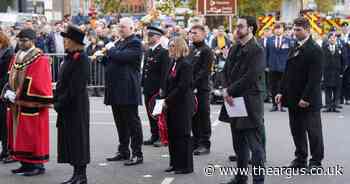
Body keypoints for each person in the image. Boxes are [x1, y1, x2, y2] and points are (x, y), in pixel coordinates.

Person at [220, 16, 265, 184]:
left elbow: (251, 76)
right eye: (237, 26)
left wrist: (229, 91)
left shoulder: (257, 49)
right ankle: (241, 177)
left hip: (249, 101)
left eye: (240, 26)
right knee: (238, 144)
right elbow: (225, 72)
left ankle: (258, 180)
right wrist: (226, 90)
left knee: (255, 147)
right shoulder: (234, 47)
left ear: (251, 28)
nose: (237, 29)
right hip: (233, 101)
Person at [275, 17, 324, 171]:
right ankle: (300, 158)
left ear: (307, 30)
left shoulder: (315, 49)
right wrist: (280, 91)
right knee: (296, 130)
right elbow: (287, 71)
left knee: (313, 132)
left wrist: (306, 98)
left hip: (308, 100)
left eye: (298, 30)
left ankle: (316, 161)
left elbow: (315, 78)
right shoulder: (295, 46)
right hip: (292, 97)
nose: (295, 32)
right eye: (294, 29)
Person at [2, 29, 53, 176]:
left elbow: (38, 82)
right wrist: (8, 90)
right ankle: (24, 163)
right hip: (17, 102)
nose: (22, 43)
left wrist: (18, 95)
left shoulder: (40, 58)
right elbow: (10, 75)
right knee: (20, 134)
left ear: (33, 41)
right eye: (20, 40)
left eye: (25, 40)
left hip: (31, 103)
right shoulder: (17, 55)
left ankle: (37, 165)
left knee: (33, 134)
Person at [103, 17, 144, 166]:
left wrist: (111, 50)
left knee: (132, 122)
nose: (120, 29)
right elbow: (112, 60)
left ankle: (137, 153)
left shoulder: (135, 43)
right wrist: (103, 58)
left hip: (127, 88)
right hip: (115, 88)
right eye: (119, 27)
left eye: (123, 27)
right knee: (120, 122)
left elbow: (122, 57)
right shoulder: (119, 42)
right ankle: (123, 150)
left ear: (131, 29)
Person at [54, 25, 90, 184]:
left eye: (67, 39)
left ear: (75, 42)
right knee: (70, 139)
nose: (64, 42)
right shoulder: (69, 56)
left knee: (78, 139)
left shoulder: (81, 58)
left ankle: (81, 175)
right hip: (67, 105)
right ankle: (76, 175)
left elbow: (76, 86)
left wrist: (60, 102)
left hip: (76, 106)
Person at [163, 36, 194, 174]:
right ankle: (174, 163)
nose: (169, 48)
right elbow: (168, 82)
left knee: (183, 134)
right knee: (172, 134)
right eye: (169, 46)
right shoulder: (172, 63)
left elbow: (183, 86)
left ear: (179, 47)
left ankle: (185, 166)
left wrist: (167, 100)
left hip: (181, 104)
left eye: (172, 46)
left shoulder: (185, 64)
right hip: (171, 104)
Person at [141, 26, 170, 147]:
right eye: (148, 35)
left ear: (158, 37)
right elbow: (145, 70)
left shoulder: (163, 52)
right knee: (150, 113)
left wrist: (163, 88)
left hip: (157, 88)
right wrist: (142, 84)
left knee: (158, 113)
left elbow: (164, 73)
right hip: (148, 87)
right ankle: (154, 135)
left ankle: (160, 136)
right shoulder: (148, 51)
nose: (149, 37)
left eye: (151, 36)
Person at [188, 24, 213, 155]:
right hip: (190, 88)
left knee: (203, 115)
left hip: (201, 88)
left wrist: (192, 83)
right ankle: (196, 141)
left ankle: (204, 143)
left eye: (195, 33)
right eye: (191, 33)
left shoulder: (206, 50)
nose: (192, 35)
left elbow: (204, 72)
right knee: (194, 116)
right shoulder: (191, 49)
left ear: (203, 34)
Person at [266, 22, 294, 112]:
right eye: (276, 28)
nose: (278, 30)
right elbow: (266, 53)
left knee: (283, 86)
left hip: (284, 67)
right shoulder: (269, 40)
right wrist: (266, 65)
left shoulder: (288, 40)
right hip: (272, 66)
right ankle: (274, 105)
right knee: (273, 86)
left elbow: (291, 55)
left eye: (280, 28)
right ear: (274, 30)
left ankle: (281, 104)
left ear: (283, 30)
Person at [0, 31, 15, 164]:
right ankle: (4, 150)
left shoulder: (8, 52)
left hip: (4, 89)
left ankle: (7, 150)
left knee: (4, 122)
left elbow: (3, 70)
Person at [322, 32, 346, 113]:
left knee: (336, 90)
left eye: (334, 38)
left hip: (337, 72)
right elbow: (320, 61)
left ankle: (335, 106)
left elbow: (344, 60)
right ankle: (328, 106)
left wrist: (342, 72)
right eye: (331, 38)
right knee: (327, 90)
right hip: (327, 72)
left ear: (336, 39)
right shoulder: (324, 48)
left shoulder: (339, 48)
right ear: (328, 39)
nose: (333, 39)